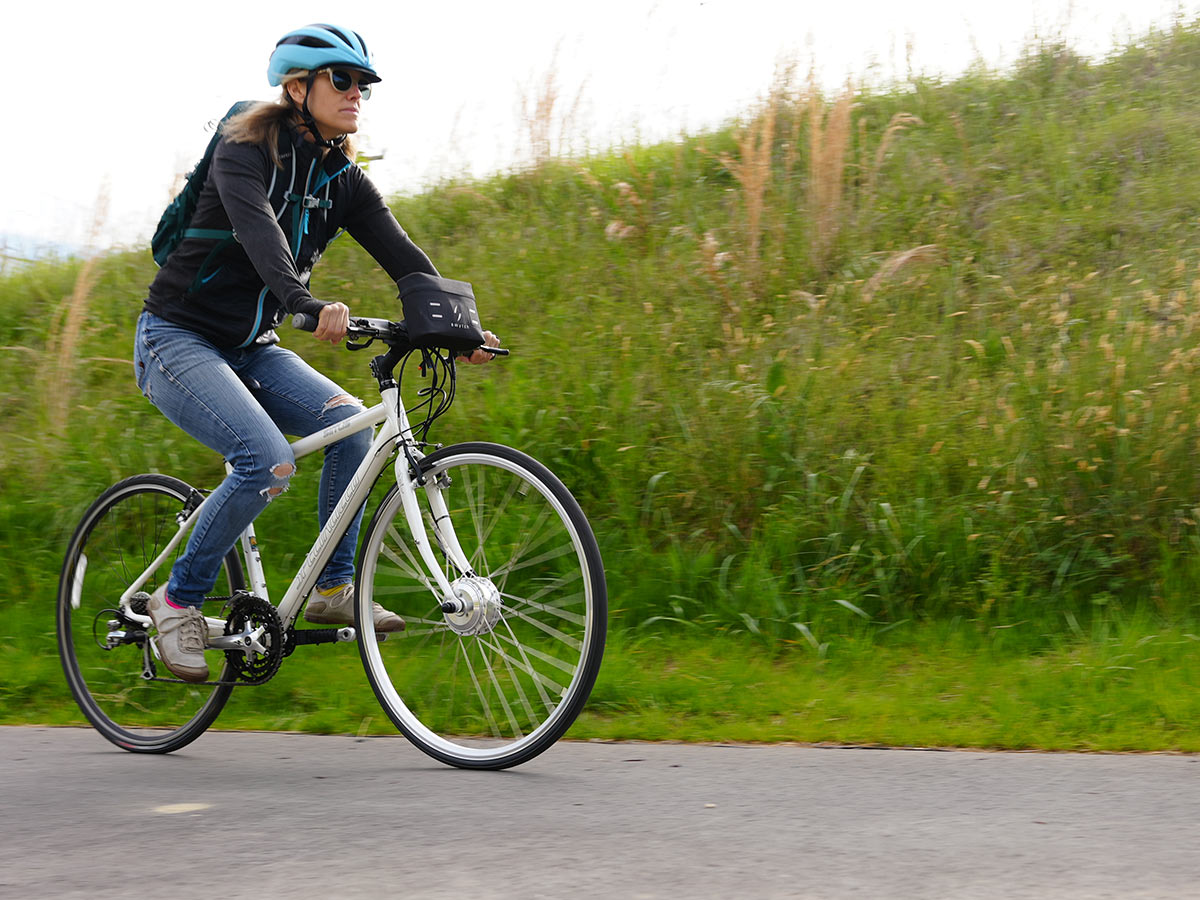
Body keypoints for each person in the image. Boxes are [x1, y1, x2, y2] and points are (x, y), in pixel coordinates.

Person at [134, 23, 498, 682]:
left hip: (248, 347)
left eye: (364, 83)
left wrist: (460, 328)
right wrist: (304, 304)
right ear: (297, 87)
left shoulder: (341, 179)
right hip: (175, 338)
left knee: (351, 428)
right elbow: (258, 236)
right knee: (264, 461)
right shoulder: (244, 145)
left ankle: (333, 590)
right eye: (342, 79)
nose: (357, 92)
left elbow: (403, 257)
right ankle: (177, 601)